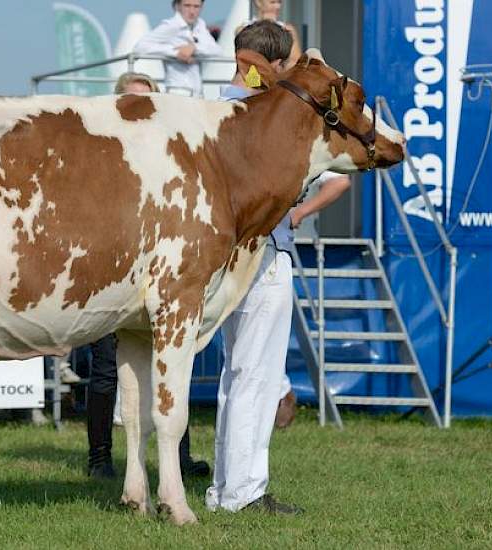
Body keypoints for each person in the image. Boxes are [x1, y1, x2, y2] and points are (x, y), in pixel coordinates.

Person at [204, 21, 350, 516]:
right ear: (278, 65)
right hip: (264, 247)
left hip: (222, 250)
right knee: (257, 373)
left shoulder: (220, 106)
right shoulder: (275, 112)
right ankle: (243, 492)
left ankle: (224, 488)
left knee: (234, 371)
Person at [85, 73, 210, 480]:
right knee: (105, 370)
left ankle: (181, 458)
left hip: (160, 275)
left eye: (146, 101)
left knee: (174, 363)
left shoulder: (170, 158)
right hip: (111, 275)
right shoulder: (99, 154)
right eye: (131, 100)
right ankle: (100, 457)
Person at [133, 0, 221, 98]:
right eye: (187, 6)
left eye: (196, 7)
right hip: (177, 92)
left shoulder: (200, 25)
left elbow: (217, 50)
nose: (192, 11)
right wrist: (175, 53)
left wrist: (194, 48)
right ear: (177, 6)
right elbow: (139, 47)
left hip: (198, 93)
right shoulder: (171, 25)